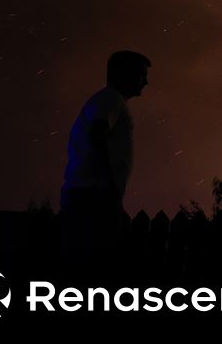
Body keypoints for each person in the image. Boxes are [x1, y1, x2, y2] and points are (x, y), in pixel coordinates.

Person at [60, 50, 150, 281]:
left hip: (92, 193)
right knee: (95, 265)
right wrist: (110, 184)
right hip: (94, 194)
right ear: (124, 74)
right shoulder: (111, 99)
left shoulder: (107, 99)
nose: (146, 81)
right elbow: (98, 132)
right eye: (141, 75)